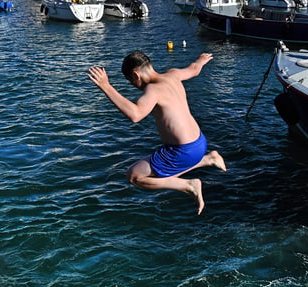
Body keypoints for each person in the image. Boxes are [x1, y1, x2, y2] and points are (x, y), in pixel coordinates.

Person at [88, 52, 226, 214]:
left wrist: (106, 86)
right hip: (199, 142)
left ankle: (189, 185)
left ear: (135, 75)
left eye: (130, 81)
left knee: (134, 176)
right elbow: (194, 70)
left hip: (182, 152)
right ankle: (208, 159)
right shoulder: (172, 74)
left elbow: (136, 115)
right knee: (161, 170)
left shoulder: (153, 90)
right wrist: (200, 60)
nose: (132, 85)